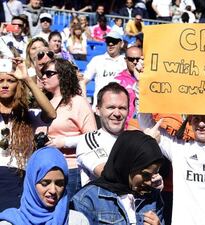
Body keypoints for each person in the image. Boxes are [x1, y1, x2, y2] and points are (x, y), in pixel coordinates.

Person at [72, 130, 164, 225]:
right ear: (127, 165)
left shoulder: (152, 196)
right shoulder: (88, 200)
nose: (149, 182)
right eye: (145, 175)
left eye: (154, 174)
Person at [0, 56, 56, 212]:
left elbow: (51, 114)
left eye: (10, 81)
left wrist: (27, 79)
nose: (5, 85)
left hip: (18, 179)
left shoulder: (28, 115)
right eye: (0, 81)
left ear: (17, 85)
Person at [36, 58, 97, 198]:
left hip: (70, 168)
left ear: (62, 75)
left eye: (49, 73)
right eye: (42, 74)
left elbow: (93, 137)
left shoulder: (78, 102)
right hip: (45, 168)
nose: (44, 77)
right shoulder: (43, 102)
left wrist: (63, 142)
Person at [0, 147, 89, 225]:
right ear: (31, 185)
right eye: (45, 183)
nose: (53, 190)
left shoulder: (77, 221)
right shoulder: (10, 222)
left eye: (59, 184)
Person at [77, 82, 129, 185]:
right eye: (111, 107)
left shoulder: (134, 139)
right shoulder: (89, 140)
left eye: (122, 108)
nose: (117, 113)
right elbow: (109, 175)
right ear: (98, 110)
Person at [82, 31, 126, 108]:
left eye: (114, 41)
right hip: (99, 109)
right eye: (108, 41)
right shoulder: (97, 60)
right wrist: (85, 103)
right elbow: (83, 81)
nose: (111, 44)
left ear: (121, 44)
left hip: (120, 110)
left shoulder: (126, 62)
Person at [115, 46, 143, 121]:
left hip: (144, 125)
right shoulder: (117, 80)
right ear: (125, 60)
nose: (135, 62)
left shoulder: (148, 79)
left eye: (138, 59)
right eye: (131, 59)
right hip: (125, 126)